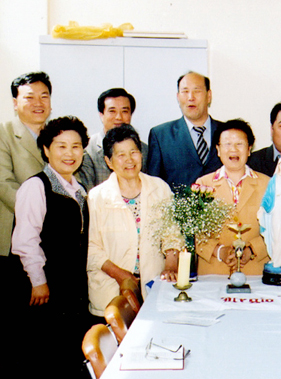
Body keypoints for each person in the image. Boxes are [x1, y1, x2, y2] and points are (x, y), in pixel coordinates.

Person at [10, 116, 93, 377]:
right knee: (43, 357)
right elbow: (25, 240)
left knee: (67, 356)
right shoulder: (36, 187)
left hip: (71, 290)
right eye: (61, 146)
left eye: (76, 146)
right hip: (45, 289)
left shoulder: (79, 190)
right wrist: (38, 281)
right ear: (46, 150)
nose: (70, 154)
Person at [87, 124, 182, 317]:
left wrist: (171, 266)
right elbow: (92, 248)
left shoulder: (159, 188)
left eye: (134, 152)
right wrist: (122, 276)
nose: (129, 160)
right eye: (120, 155)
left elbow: (172, 233)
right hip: (110, 288)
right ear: (109, 161)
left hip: (153, 285)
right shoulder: (97, 196)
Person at [195, 119, 270, 276]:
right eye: (227, 144)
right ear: (218, 149)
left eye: (239, 144)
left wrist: (253, 250)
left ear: (249, 149)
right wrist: (220, 251)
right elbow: (195, 232)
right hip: (214, 271)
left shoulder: (268, 184)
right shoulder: (203, 184)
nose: (233, 149)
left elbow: (277, 230)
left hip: (255, 271)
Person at [0, 72, 51, 260]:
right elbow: (4, 184)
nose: (38, 103)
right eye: (29, 98)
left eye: (44, 97)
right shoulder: (3, 132)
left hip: (52, 240)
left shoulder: (58, 135)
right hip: (14, 235)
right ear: (15, 103)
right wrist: (46, 215)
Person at [147, 71, 222, 190]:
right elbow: (153, 185)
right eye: (185, 92)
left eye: (197, 91)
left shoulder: (227, 132)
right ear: (178, 97)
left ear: (209, 96)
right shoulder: (161, 135)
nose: (190, 97)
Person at [79, 88, 148, 191]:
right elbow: (87, 194)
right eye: (112, 111)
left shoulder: (145, 149)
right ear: (101, 115)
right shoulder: (88, 150)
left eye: (124, 111)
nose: (118, 117)